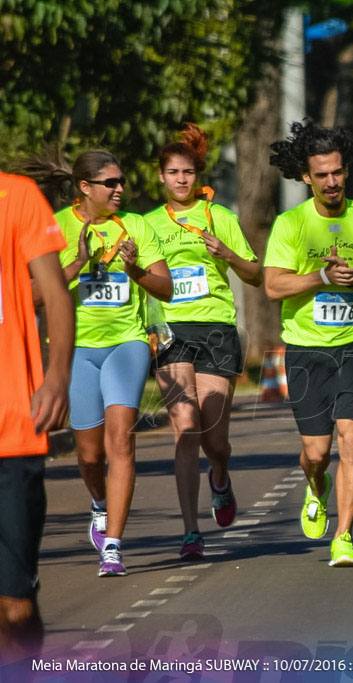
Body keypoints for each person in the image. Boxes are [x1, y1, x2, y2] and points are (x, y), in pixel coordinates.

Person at [265, 120, 353, 567]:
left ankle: (342, 537)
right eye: (321, 174)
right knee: (317, 451)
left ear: (347, 172)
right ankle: (315, 485)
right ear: (306, 177)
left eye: (337, 172)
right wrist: (321, 277)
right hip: (306, 347)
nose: (331, 182)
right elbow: (273, 286)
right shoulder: (291, 225)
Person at [29, 150, 172, 576]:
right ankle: (98, 504)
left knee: (121, 442)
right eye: (110, 183)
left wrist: (135, 269)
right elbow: (33, 297)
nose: (119, 189)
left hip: (125, 345)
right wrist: (75, 263)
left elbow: (165, 289)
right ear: (85, 188)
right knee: (89, 456)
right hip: (76, 350)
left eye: (121, 181)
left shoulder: (137, 225)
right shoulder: (56, 225)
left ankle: (113, 545)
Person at [144, 124, 263, 561]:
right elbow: (142, 280)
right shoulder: (148, 224)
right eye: (173, 172)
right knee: (186, 429)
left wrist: (227, 254)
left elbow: (255, 274)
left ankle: (219, 475)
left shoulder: (221, 218)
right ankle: (191, 531)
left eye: (188, 172)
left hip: (215, 329)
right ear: (160, 176)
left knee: (214, 439)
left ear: (197, 175)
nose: (181, 179)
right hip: (172, 333)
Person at [0, 172, 73, 663]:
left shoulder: (17, 195)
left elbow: (56, 291)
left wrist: (56, 377)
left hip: (12, 432)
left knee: (16, 608)